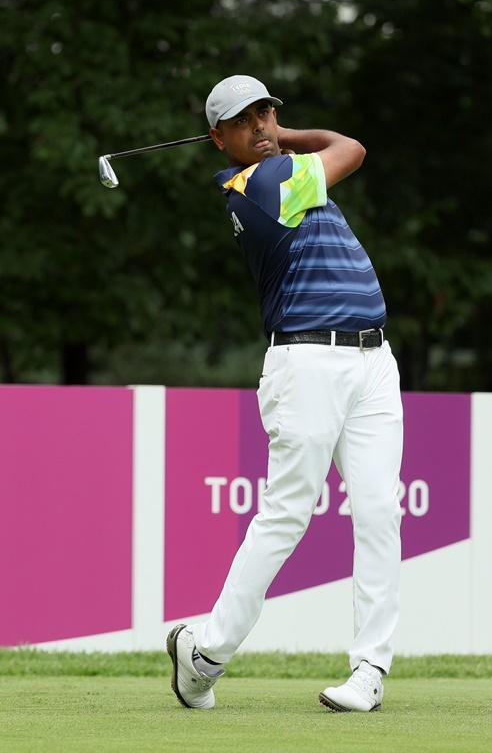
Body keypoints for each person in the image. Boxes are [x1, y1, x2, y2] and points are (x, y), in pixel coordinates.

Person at [167, 75, 403, 713]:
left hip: (373, 360)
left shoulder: (283, 167)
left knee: (380, 513)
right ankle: (207, 654)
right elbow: (351, 147)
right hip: (305, 363)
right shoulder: (260, 186)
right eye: (245, 122)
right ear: (220, 141)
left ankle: (370, 670)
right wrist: (284, 144)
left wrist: (275, 137)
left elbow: (338, 148)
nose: (263, 126)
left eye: (268, 112)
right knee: (287, 515)